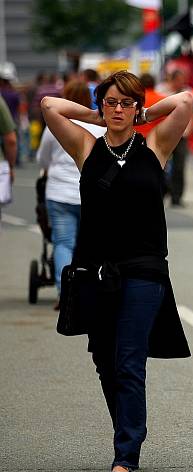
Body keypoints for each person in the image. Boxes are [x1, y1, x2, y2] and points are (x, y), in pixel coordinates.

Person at [41, 70, 193, 472]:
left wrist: (142, 116)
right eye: (111, 102)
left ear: (138, 107)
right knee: (105, 361)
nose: (118, 110)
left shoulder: (155, 146)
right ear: (101, 105)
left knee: (129, 360)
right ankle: (127, 429)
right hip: (96, 270)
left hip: (144, 270)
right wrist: (96, 115)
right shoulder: (86, 148)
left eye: (127, 103)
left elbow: (184, 102)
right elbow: (49, 106)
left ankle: (125, 451)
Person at [36, 81, 105, 307]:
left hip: (59, 193)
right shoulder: (100, 128)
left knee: (63, 243)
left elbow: (43, 159)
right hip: (90, 195)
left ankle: (65, 292)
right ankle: (91, 289)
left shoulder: (55, 125)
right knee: (91, 244)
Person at [157, 70, 193, 207]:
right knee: (160, 165)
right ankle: (160, 193)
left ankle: (177, 196)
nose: (182, 82)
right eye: (179, 79)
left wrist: (189, 131)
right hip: (165, 134)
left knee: (179, 166)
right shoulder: (162, 91)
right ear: (173, 80)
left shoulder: (189, 93)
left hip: (182, 135)